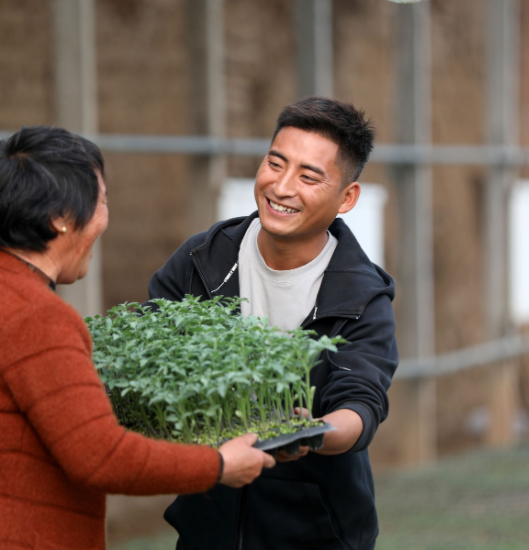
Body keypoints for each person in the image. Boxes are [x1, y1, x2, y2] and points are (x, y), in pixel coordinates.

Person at [0, 126, 275, 550]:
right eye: (100, 201)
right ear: (61, 218)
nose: (104, 217)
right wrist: (219, 464)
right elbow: (100, 456)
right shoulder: (35, 317)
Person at [148, 97, 398, 550]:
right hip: (209, 524)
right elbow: (152, 349)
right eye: (274, 163)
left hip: (316, 532)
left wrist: (314, 432)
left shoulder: (362, 296)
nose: (281, 187)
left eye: (308, 176)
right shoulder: (204, 259)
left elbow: (361, 405)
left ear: (347, 197)